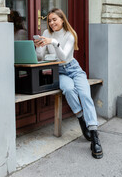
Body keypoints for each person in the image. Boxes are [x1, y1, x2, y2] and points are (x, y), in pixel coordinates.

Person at [34, 8, 103, 159]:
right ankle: (81, 119)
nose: (51, 23)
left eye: (54, 20)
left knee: (85, 94)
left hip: (73, 68)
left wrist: (53, 42)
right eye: (49, 21)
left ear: (62, 20)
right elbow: (40, 58)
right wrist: (39, 47)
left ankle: (94, 135)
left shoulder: (70, 35)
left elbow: (64, 57)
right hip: (59, 71)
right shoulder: (46, 34)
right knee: (68, 89)